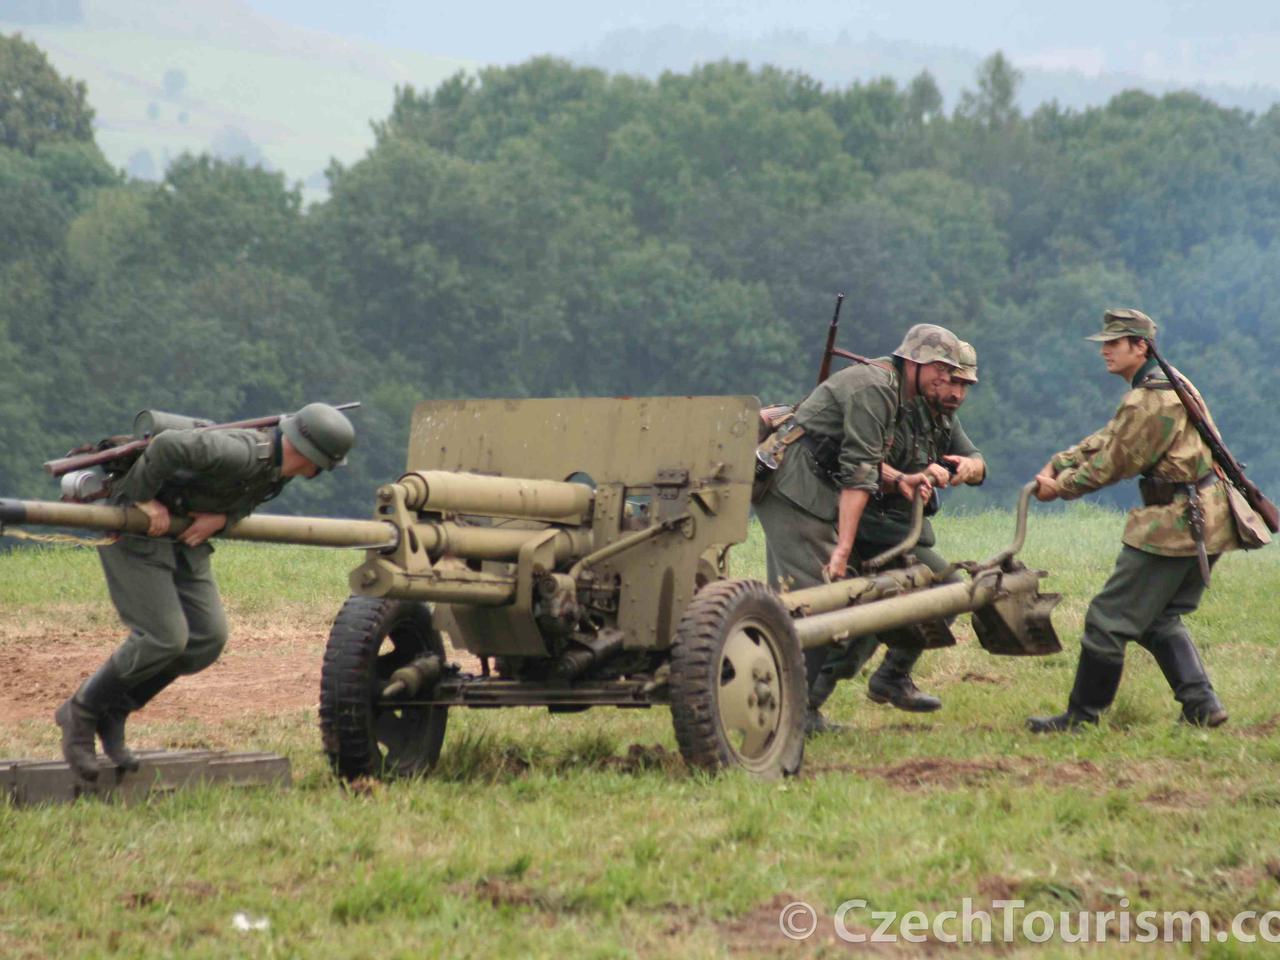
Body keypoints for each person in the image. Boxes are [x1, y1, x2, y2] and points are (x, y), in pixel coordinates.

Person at [54, 402, 356, 781]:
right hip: (137, 525)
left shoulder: (279, 469)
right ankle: (81, 711)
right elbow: (166, 448)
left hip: (184, 536)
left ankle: (115, 710)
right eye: (323, 463)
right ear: (310, 455)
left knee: (206, 639)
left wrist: (224, 518)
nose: (319, 472)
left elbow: (248, 497)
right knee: (163, 638)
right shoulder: (242, 452)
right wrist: (143, 499)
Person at [1027, 309, 1238, 733]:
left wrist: (1060, 486)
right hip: (1207, 517)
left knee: (1107, 619)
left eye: (1114, 343)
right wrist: (1064, 459)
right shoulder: (1168, 381)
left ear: (1140, 346)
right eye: (1104, 342)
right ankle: (1201, 704)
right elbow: (1115, 435)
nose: (1105, 350)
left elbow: (1115, 462)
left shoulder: (1149, 398)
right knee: (1155, 618)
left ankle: (1081, 720)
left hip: (1178, 523)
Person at [753, 323, 964, 734]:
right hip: (795, 485)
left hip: (811, 482)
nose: (945, 377)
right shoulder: (876, 388)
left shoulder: (893, 391)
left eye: (950, 370)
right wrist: (844, 549)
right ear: (914, 361)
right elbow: (858, 472)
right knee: (819, 600)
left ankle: (793, 711)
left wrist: (899, 479)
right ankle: (793, 716)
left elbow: (862, 459)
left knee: (817, 599)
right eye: (938, 366)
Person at [807, 341, 987, 723]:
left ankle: (892, 675)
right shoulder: (891, 403)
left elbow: (976, 460)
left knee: (946, 592)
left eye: (965, 384)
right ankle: (804, 710)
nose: (956, 391)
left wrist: (971, 468)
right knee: (853, 627)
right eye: (950, 380)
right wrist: (908, 477)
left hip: (901, 532)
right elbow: (860, 462)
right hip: (858, 526)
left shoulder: (943, 417)